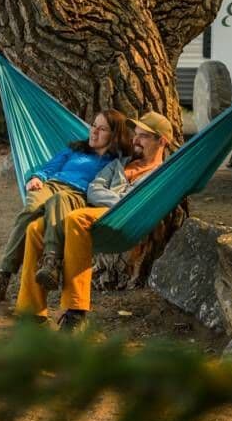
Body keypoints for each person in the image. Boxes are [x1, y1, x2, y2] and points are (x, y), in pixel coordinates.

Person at [0, 109, 131, 311]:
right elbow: (51, 167)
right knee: (30, 209)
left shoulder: (115, 162)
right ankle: (2, 278)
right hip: (51, 185)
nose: (94, 132)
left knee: (59, 200)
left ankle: (51, 263)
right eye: (93, 125)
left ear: (114, 134)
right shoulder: (75, 149)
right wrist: (38, 177)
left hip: (76, 196)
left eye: (102, 129)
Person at [46, 111, 177, 331]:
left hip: (127, 222)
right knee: (40, 226)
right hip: (103, 215)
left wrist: (124, 206)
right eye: (135, 135)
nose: (135, 140)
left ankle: (76, 312)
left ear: (161, 141)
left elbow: (140, 203)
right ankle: (39, 306)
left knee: (76, 219)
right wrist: (122, 202)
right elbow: (94, 189)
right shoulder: (120, 163)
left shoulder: (162, 175)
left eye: (143, 136)